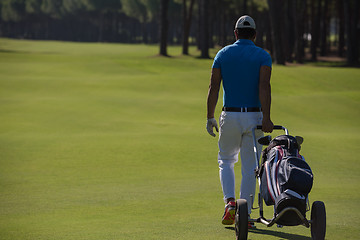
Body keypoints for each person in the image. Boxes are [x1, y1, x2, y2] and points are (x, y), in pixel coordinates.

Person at [206, 15, 274, 227]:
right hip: (254, 116)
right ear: (254, 34)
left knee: (226, 160)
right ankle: (244, 216)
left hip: (230, 115)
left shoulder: (223, 54)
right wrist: (267, 117)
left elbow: (214, 87)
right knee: (250, 168)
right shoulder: (263, 55)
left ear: (235, 33)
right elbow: (264, 86)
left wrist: (209, 116)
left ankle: (230, 203)